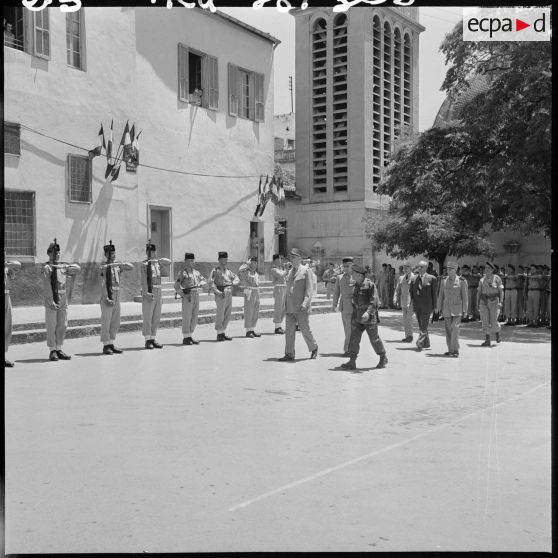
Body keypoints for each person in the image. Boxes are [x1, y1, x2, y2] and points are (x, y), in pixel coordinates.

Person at [341, 263, 387, 370]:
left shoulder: (370, 285)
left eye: (353, 273)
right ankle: (352, 361)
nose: (351, 274)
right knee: (354, 339)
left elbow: (374, 301)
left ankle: (383, 357)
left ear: (359, 274)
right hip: (357, 317)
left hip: (369, 318)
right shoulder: (355, 285)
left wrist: (368, 312)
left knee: (374, 340)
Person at [42, 239, 81, 361]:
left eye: (58, 253)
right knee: (51, 325)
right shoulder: (47, 267)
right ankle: (52, 350)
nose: (57, 255)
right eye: (54, 253)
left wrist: (66, 265)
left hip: (63, 298)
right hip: (52, 299)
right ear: (49, 254)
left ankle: (59, 348)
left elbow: (77, 268)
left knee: (62, 325)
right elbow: (46, 286)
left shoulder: (62, 266)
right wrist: (50, 301)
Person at [278, 248, 318, 361]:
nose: (292, 259)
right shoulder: (290, 271)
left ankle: (314, 347)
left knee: (305, 329)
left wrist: (305, 303)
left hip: (301, 306)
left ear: (300, 258)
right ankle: (289, 353)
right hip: (290, 306)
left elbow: (309, 289)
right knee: (289, 331)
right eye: (291, 257)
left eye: (294, 257)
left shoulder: (306, 270)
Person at [99, 241, 133, 355]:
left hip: (117, 296)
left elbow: (130, 267)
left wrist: (121, 264)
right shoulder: (103, 267)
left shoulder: (117, 267)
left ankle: (111, 343)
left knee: (115, 321)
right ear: (107, 255)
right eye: (112, 254)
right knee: (106, 321)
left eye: (114, 253)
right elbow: (102, 283)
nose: (114, 255)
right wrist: (107, 297)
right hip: (108, 296)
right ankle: (105, 345)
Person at [141, 240, 171, 349]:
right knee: (148, 317)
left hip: (159, 291)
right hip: (150, 290)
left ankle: (153, 338)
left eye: (153, 252)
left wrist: (158, 259)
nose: (151, 253)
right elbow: (143, 281)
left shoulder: (158, 263)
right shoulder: (144, 264)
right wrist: (146, 293)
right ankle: (147, 340)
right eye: (149, 252)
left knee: (156, 317)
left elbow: (169, 262)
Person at [435, 261, 468, 357]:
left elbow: (465, 297)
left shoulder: (462, 281)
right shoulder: (443, 280)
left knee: (455, 328)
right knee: (448, 330)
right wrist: (438, 307)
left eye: (451, 269)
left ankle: (456, 349)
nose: (448, 271)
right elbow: (441, 295)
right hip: (446, 309)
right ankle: (450, 350)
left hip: (457, 309)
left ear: (456, 270)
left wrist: (465, 310)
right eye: (447, 269)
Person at [174, 252, 207, 345]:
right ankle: (185, 337)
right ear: (186, 261)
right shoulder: (182, 273)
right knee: (187, 317)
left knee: (195, 316)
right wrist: (183, 295)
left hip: (196, 294)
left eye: (193, 260)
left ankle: (190, 335)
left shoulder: (196, 272)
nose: (193, 262)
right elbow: (176, 286)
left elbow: (203, 280)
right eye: (191, 260)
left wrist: (202, 283)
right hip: (188, 296)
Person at [208, 251, 240, 341]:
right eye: (223, 259)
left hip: (229, 291)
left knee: (227, 313)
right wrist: (217, 291)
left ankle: (223, 332)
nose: (225, 261)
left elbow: (236, 278)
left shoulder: (228, 271)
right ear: (219, 260)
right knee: (220, 313)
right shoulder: (215, 271)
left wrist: (234, 282)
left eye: (226, 259)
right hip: (221, 292)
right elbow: (210, 282)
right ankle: (219, 333)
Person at [409, 260, 438, 351]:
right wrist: (410, 304)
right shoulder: (414, 279)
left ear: (426, 268)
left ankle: (420, 343)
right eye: (418, 267)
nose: (419, 268)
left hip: (427, 306)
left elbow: (434, 294)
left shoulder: (432, 278)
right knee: (421, 325)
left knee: (424, 325)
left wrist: (436, 306)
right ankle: (426, 343)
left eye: (421, 267)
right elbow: (411, 293)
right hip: (417, 306)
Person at [477, 262, 504, 346]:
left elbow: (501, 291)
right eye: (485, 268)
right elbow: (478, 292)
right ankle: (487, 340)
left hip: (494, 301)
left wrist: (501, 302)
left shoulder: (497, 278)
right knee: (484, 321)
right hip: (484, 301)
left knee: (493, 321)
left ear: (492, 270)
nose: (487, 269)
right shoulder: (482, 279)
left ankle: (497, 332)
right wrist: (477, 303)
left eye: (489, 268)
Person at [332, 257, 354, 357]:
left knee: (350, 329)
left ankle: (347, 350)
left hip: (353, 306)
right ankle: (351, 348)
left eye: (347, 266)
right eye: (344, 266)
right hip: (343, 307)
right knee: (346, 329)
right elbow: (336, 292)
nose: (345, 268)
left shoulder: (356, 277)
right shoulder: (339, 277)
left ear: (352, 266)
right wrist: (334, 304)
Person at [5, 251, 21, 367]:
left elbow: (17, 265)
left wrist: (9, 268)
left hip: (6, 296)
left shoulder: (7, 266)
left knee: (7, 326)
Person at [239, 256, 261, 338]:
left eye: (256, 263)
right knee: (249, 311)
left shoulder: (256, 273)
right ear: (250, 263)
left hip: (256, 292)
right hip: (249, 292)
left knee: (255, 311)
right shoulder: (246, 271)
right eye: (253, 262)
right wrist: (246, 264)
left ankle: (252, 329)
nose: (254, 264)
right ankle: (248, 331)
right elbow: (240, 270)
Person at [393, 261, 415, 342]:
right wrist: (395, 298)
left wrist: (413, 302)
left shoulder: (414, 278)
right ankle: (407, 336)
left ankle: (410, 336)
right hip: (403, 301)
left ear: (411, 268)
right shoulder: (401, 278)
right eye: (404, 267)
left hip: (411, 302)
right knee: (405, 319)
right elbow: (397, 290)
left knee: (408, 319)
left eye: (407, 267)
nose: (405, 269)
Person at [270, 254, 287, 334]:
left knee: (283, 308)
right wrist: (286, 270)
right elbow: (280, 276)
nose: (281, 261)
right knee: (278, 308)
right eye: (280, 259)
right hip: (278, 288)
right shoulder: (274, 269)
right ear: (276, 260)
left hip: (284, 288)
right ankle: (277, 327)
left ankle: (279, 326)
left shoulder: (282, 268)